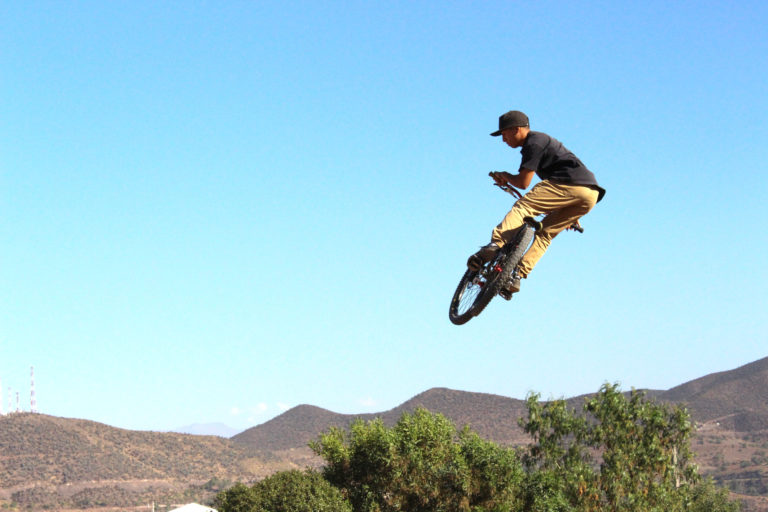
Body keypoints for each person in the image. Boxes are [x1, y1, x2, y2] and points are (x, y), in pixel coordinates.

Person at [467, 110, 606, 294]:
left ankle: (496, 244)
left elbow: (523, 183)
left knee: (524, 207)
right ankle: (515, 276)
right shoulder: (541, 142)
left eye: (504, 134)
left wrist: (505, 176)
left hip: (570, 184)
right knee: (545, 233)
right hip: (590, 194)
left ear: (516, 129)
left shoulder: (534, 142)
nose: (503, 140)